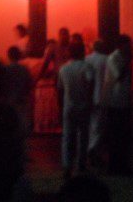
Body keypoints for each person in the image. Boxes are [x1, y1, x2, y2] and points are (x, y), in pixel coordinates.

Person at [58, 40, 94, 179]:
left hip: (68, 106)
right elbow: (90, 83)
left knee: (67, 136)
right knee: (83, 136)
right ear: (82, 52)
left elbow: (60, 90)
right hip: (83, 105)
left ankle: (67, 165)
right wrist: (89, 100)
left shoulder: (63, 68)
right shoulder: (87, 67)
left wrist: (61, 106)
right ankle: (81, 164)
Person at [102, 34, 132, 174]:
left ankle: (121, 164)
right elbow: (119, 75)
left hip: (123, 100)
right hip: (115, 101)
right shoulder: (113, 58)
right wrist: (128, 61)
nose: (130, 47)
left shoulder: (120, 57)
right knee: (115, 135)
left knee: (122, 135)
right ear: (121, 45)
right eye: (127, 44)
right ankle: (114, 165)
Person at [84, 39, 108, 164]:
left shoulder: (87, 59)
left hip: (90, 96)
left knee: (92, 124)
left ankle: (91, 149)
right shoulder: (106, 59)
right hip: (103, 96)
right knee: (100, 125)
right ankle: (93, 150)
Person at [5, 46, 34, 133]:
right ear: (19, 56)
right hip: (22, 100)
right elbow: (29, 84)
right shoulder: (24, 69)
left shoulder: (6, 69)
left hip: (10, 101)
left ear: (8, 56)